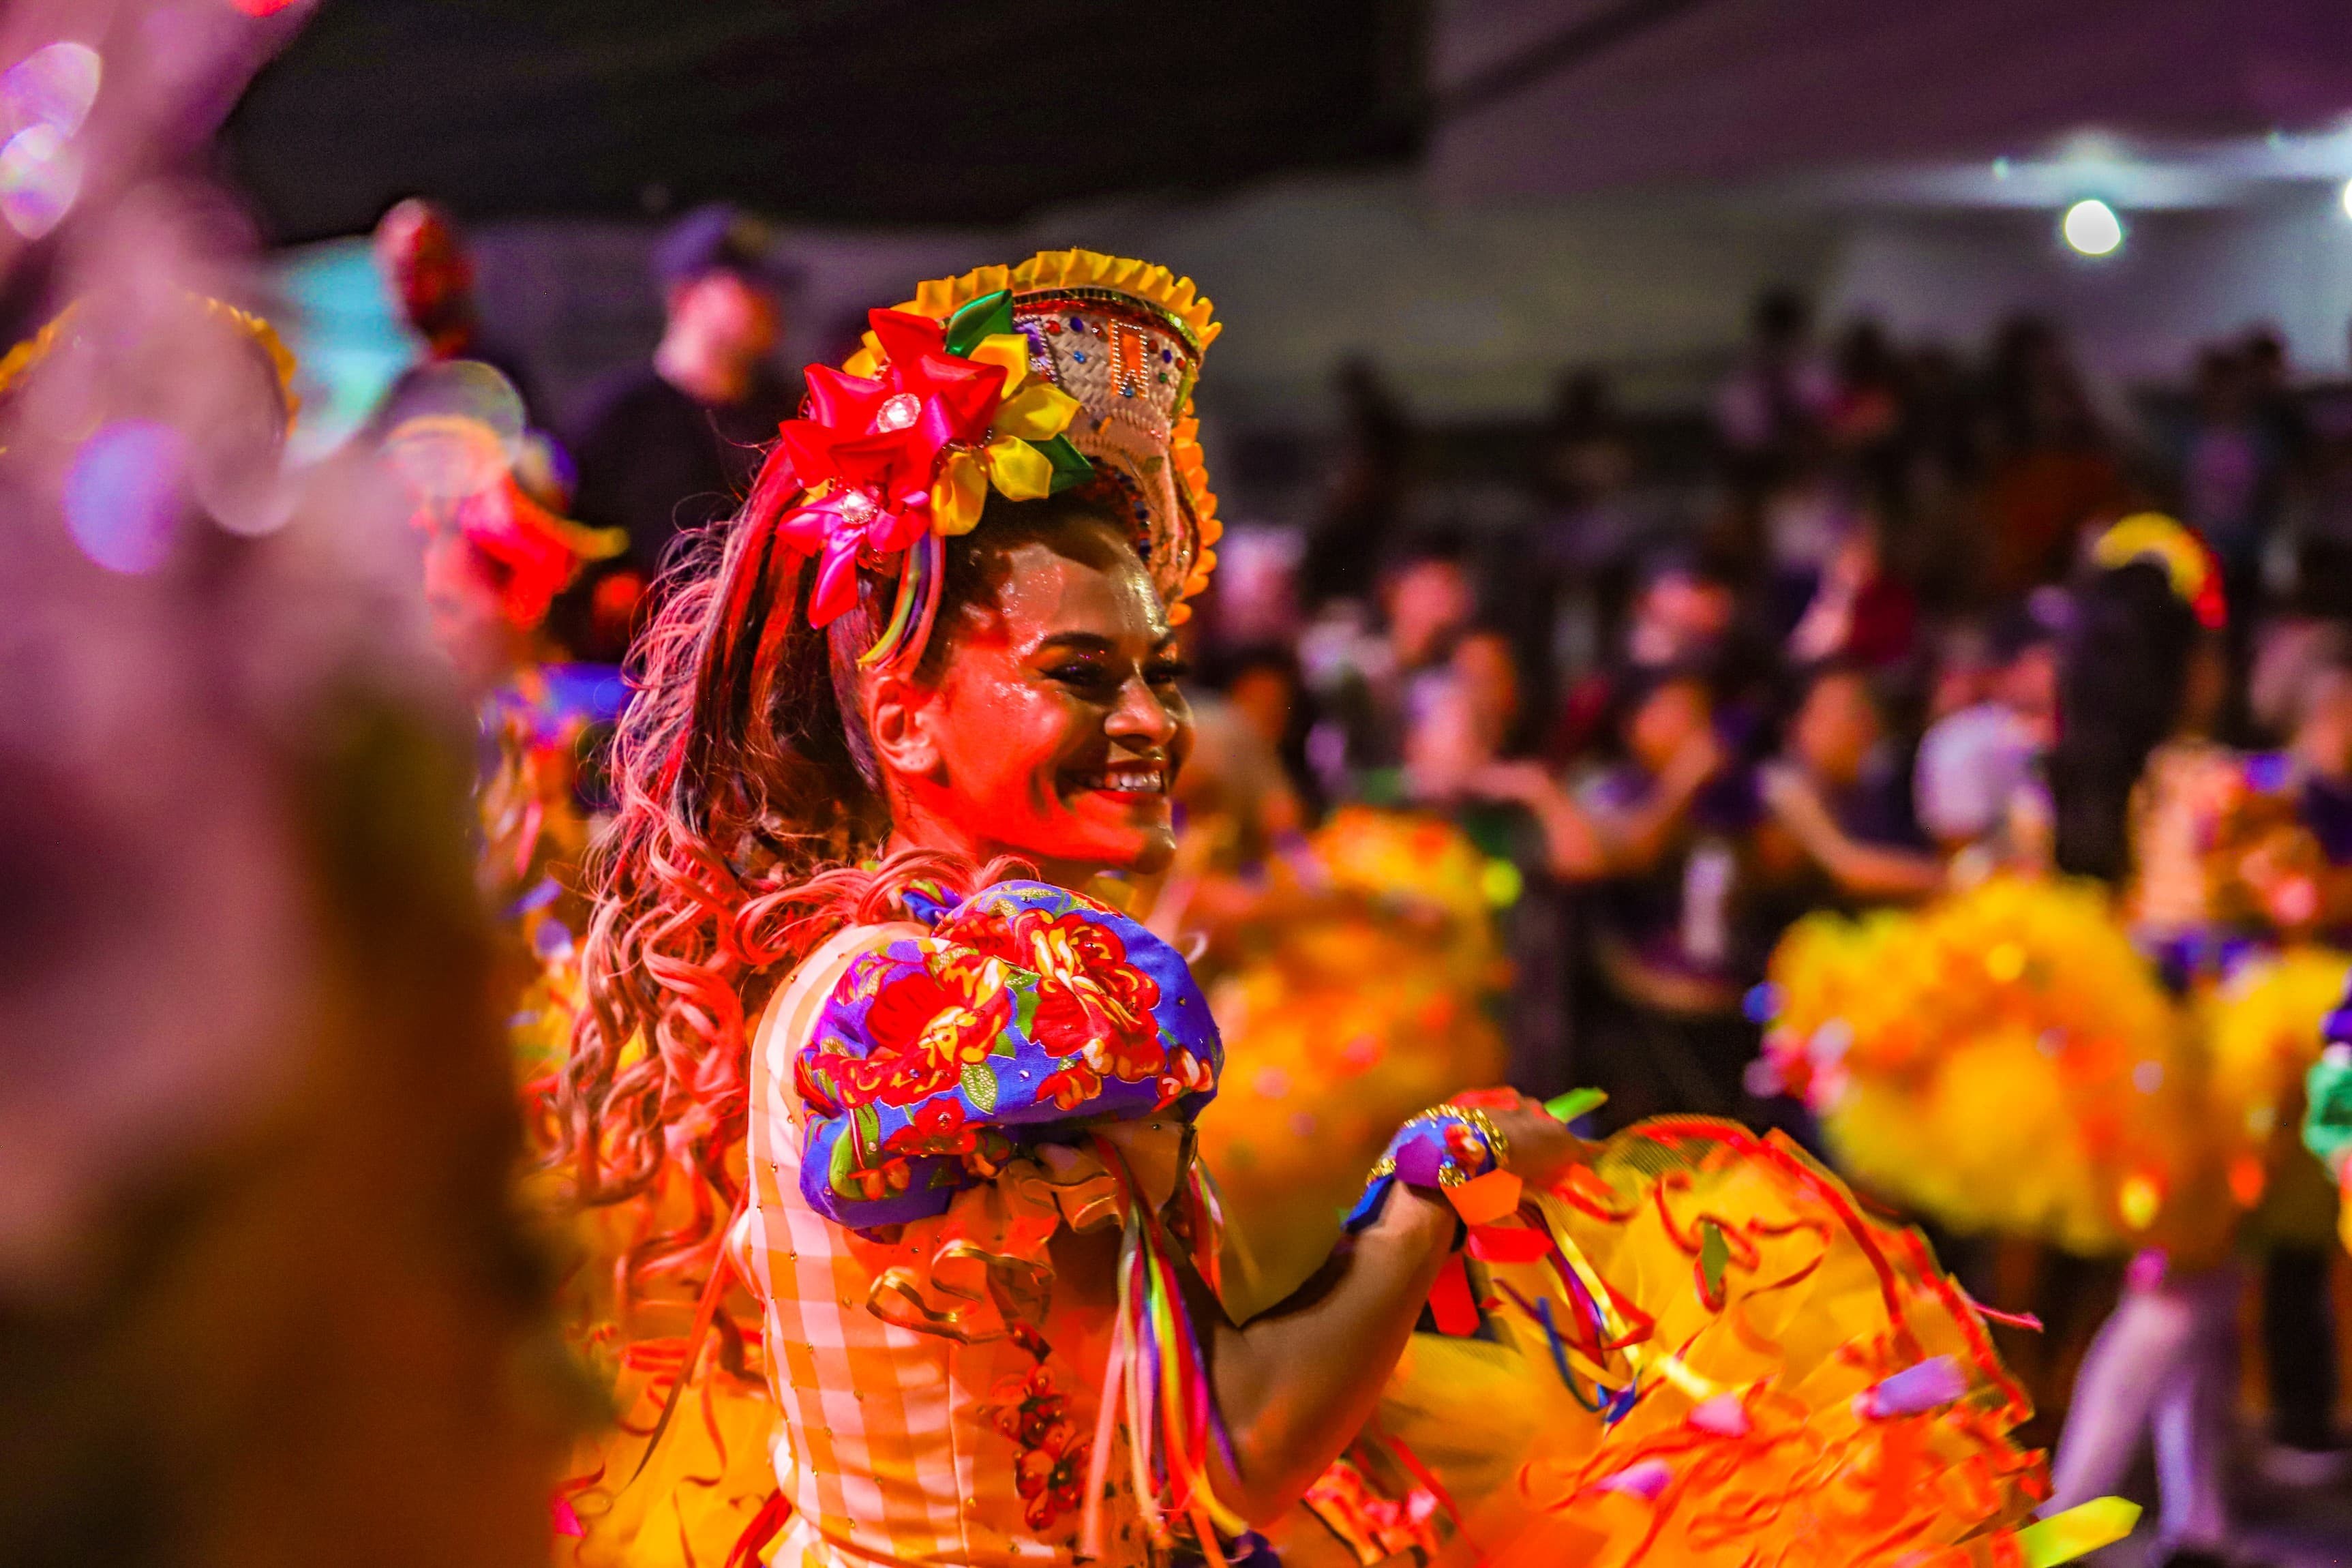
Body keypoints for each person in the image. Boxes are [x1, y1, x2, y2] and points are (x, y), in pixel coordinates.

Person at [558, 205, 799, 658]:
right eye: (748, 284)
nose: (770, 300)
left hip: (760, 673)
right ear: (688, 296)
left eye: (772, 285)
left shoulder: (789, 413)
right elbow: (567, 563)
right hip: (638, 685)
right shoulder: (618, 421)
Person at [367, 197, 541, 430]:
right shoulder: (404, 388)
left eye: (422, 267)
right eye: (398, 274)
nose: (410, 288)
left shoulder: (494, 381)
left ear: (461, 269)